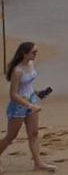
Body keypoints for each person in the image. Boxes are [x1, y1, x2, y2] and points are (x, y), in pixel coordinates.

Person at [0, 42, 56, 171]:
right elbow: (13, 95)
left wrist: (38, 94)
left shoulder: (31, 64)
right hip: (19, 106)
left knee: (34, 134)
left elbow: (27, 86)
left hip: (32, 100)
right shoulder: (17, 71)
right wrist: (30, 105)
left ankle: (38, 163)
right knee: (11, 137)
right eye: (33, 52)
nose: (36, 54)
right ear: (24, 54)